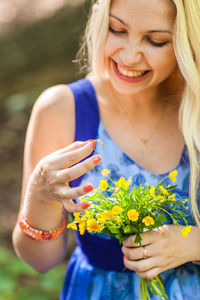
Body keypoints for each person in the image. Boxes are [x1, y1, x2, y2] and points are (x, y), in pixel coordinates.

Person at [12, 0, 200, 299]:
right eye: (116, 29)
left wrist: (194, 244)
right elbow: (41, 261)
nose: (128, 56)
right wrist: (40, 195)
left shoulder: (196, 109)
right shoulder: (63, 109)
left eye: (156, 40)